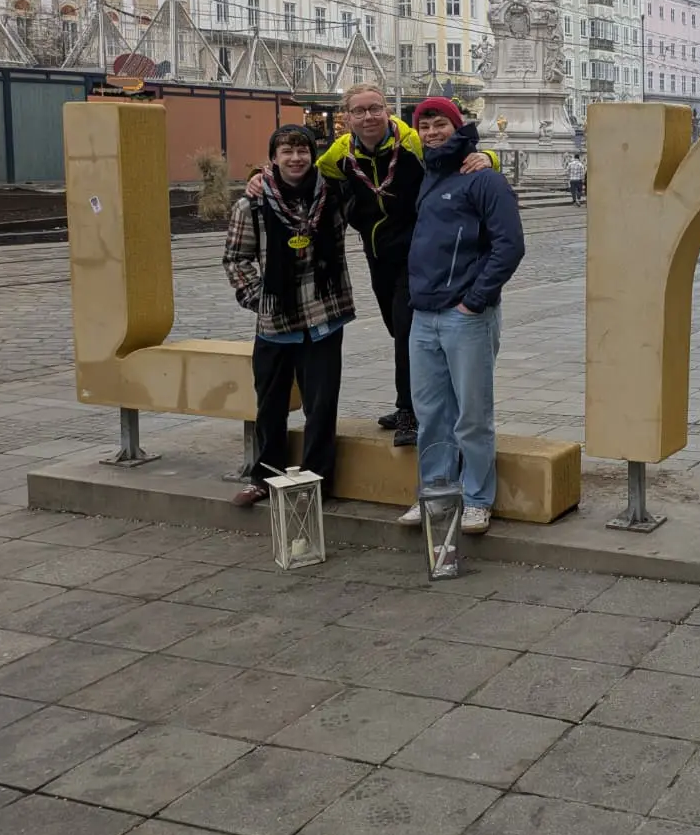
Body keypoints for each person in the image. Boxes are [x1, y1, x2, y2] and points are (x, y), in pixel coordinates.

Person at [258, 84, 492, 449]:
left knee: (406, 328)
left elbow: (457, 153)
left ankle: (410, 411)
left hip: (418, 254)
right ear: (347, 117)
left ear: (387, 110)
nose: (368, 117)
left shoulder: (412, 140)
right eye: (359, 111)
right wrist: (262, 179)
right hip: (378, 253)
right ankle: (412, 402)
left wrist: (488, 157)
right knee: (394, 327)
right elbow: (305, 177)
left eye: (375, 108)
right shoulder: (341, 151)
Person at [398, 98, 525, 535]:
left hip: (464, 316)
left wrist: (475, 299)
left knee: (471, 413)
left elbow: (509, 245)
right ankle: (436, 491)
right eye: (426, 125)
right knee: (430, 412)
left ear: (457, 127)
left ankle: (476, 498)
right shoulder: (428, 174)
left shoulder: (483, 178)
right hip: (424, 314)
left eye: (441, 124)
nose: (433, 132)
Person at [223, 125, 353, 508]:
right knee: (270, 405)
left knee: (322, 405)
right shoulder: (254, 204)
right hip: (276, 323)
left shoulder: (334, 195)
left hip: (324, 316)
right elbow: (236, 258)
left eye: (302, 151)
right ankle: (264, 476)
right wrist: (261, 298)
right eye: (286, 152)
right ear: (274, 158)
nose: (295, 158)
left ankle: (316, 479)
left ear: (313, 155)